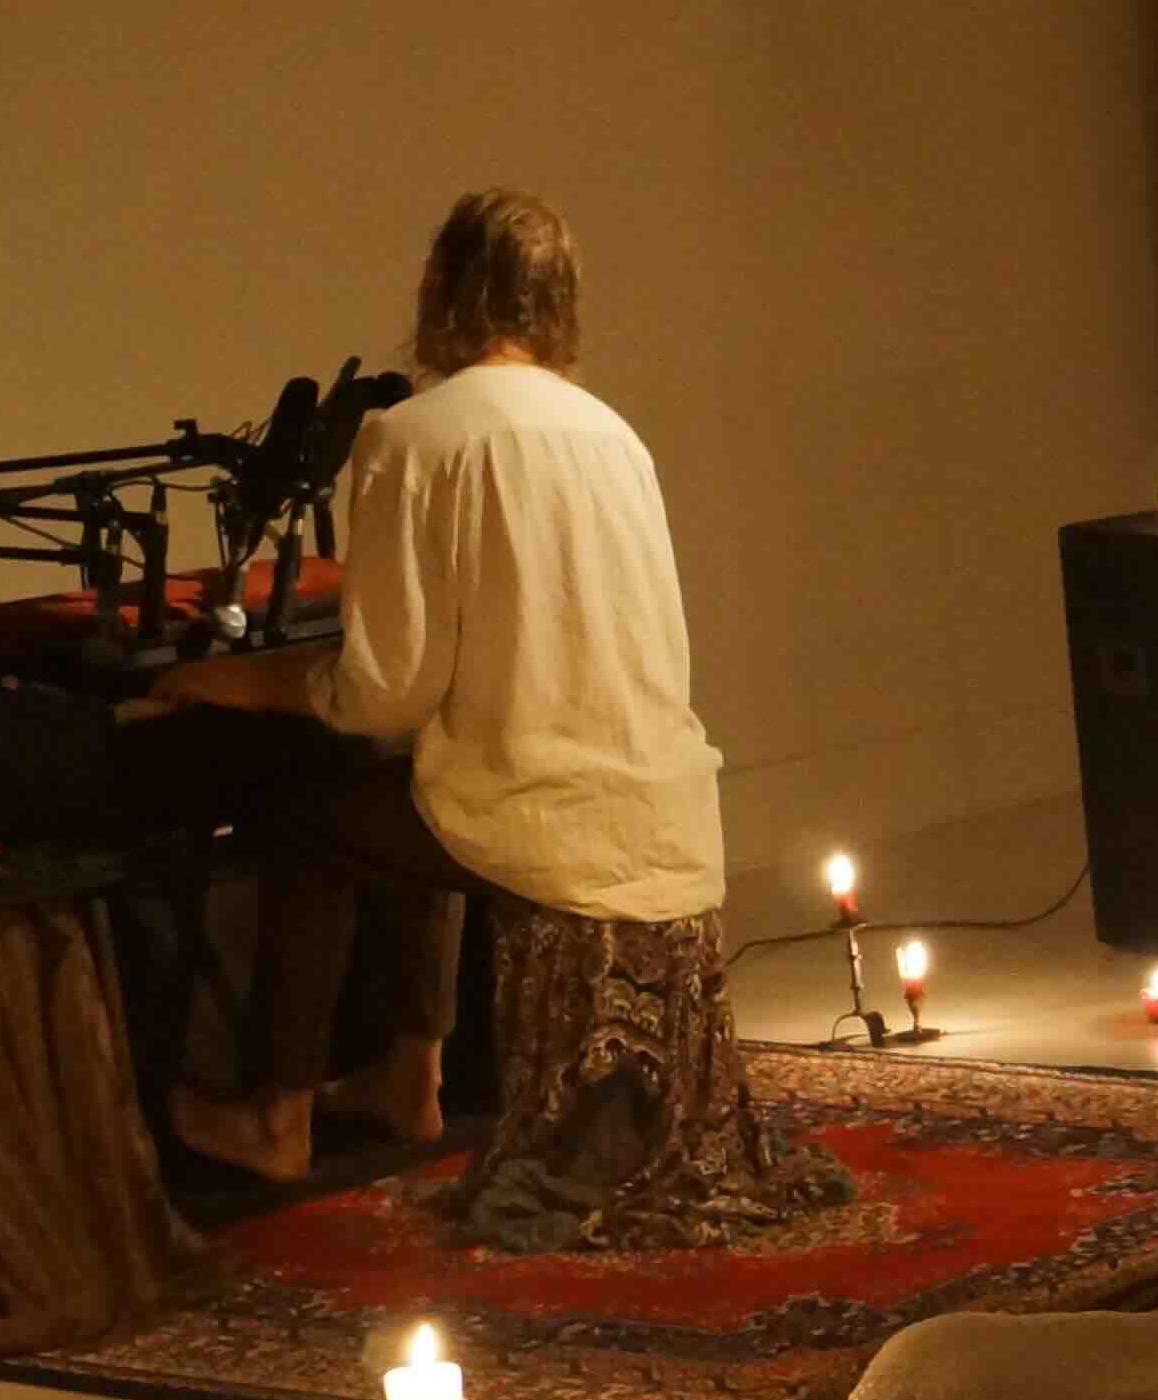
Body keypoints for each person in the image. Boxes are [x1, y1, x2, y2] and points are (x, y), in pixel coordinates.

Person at [145, 192, 730, 1187]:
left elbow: (382, 694)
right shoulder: (613, 437)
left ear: (440, 290)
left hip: (543, 826)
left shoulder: (415, 438)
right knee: (418, 791)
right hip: (665, 809)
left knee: (308, 815)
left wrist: (230, 682)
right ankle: (407, 1079)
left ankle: (275, 1116)